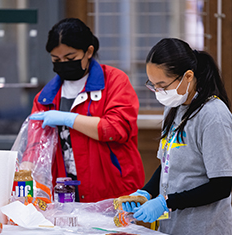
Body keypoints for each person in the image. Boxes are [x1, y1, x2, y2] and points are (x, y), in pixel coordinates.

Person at [121, 38, 232, 234]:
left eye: (163, 85)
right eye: (153, 85)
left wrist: (167, 203)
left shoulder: (214, 116)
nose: (159, 92)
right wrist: (146, 193)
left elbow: (221, 186)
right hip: (173, 226)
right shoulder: (174, 108)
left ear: (188, 76)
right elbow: (169, 163)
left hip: (203, 227)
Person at [27, 18, 145, 203]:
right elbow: (35, 147)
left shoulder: (114, 82)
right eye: (56, 60)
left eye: (70, 58)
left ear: (89, 51)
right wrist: (25, 175)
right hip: (64, 194)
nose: (63, 63)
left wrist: (68, 119)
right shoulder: (46, 97)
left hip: (112, 191)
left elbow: (116, 128)